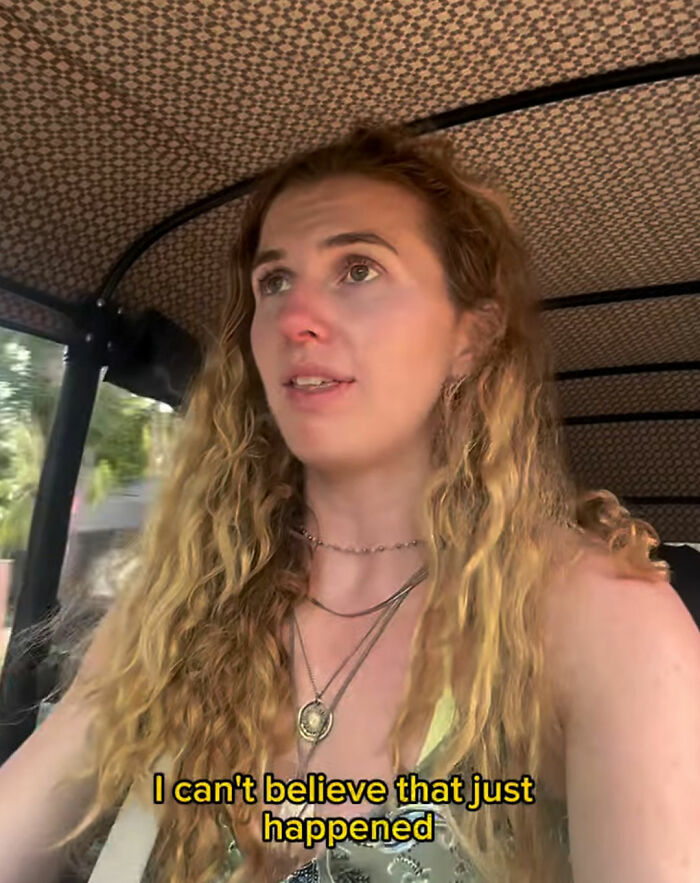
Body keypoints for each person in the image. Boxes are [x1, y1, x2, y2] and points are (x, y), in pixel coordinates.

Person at [1, 121, 698, 883]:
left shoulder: (604, 622)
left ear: (472, 335)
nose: (297, 315)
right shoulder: (175, 612)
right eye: (274, 282)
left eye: (358, 269)